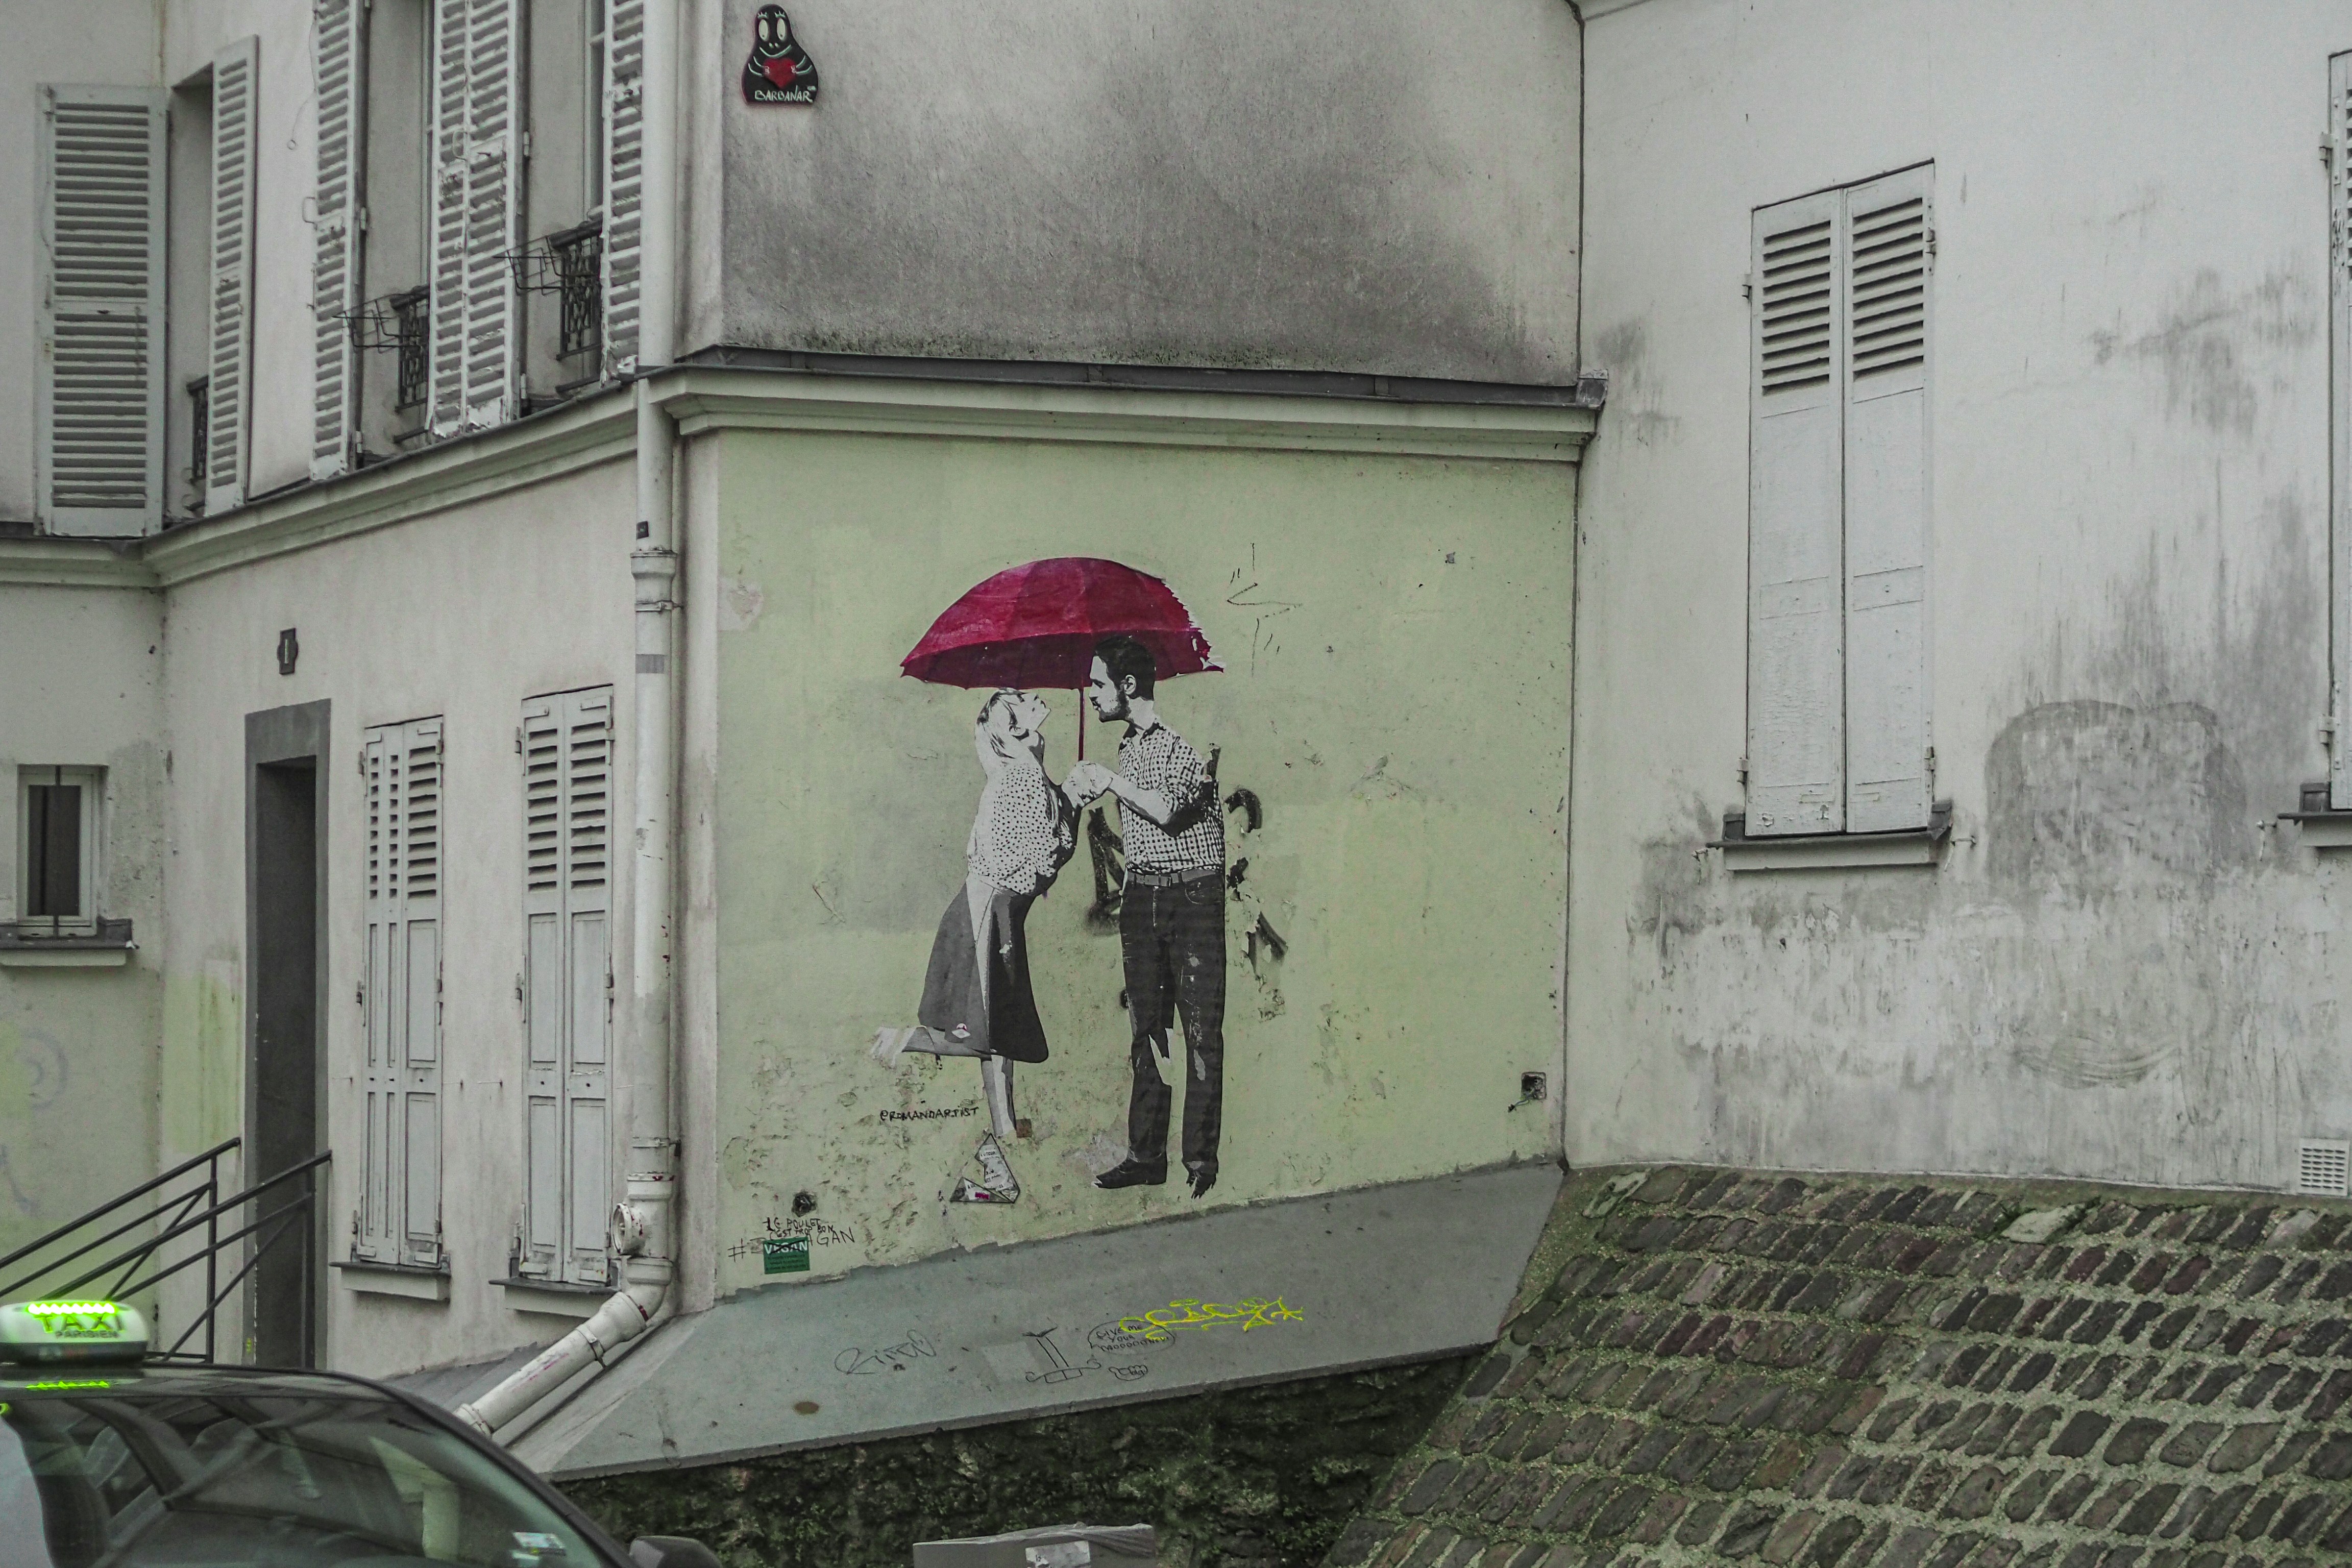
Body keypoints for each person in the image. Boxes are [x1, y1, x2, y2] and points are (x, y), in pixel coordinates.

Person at [872, 689, 1076, 1203]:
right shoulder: (1017, 778)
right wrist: (1066, 812)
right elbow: (1017, 858)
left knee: (997, 1030)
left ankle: (1005, 1126)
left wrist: (1065, 800)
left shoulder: (1021, 772)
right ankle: (906, 1040)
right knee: (982, 1032)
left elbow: (1039, 848)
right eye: (1021, 702)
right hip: (987, 912)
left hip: (989, 910)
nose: (1034, 700)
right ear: (1009, 731)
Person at [1065, 635, 1226, 1198]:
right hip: (1145, 897)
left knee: (1201, 1035)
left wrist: (1109, 782)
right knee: (1147, 1033)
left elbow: (1169, 813)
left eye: (1098, 684)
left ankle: (1201, 1162)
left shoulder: (1178, 747)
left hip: (1192, 899)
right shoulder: (1130, 747)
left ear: (1128, 687)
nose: (1090, 694)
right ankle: (1147, 1154)